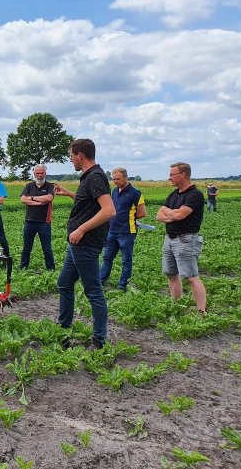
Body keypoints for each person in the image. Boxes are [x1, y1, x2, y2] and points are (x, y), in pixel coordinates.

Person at [53, 139, 115, 349]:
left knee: (93, 290)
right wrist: (71, 194)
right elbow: (89, 205)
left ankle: (99, 340)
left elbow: (109, 210)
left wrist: (81, 229)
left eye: (71, 155)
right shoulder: (89, 178)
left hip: (85, 242)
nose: (70, 159)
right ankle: (63, 329)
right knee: (64, 283)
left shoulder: (96, 177)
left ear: (80, 155)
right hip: (77, 244)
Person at [156, 162, 207, 313]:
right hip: (170, 239)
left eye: (172, 175)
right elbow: (159, 215)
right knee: (171, 274)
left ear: (183, 175)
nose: (169, 177)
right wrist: (172, 215)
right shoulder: (173, 195)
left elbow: (180, 214)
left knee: (191, 277)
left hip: (186, 240)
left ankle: (201, 312)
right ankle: (176, 305)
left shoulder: (194, 195)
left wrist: (170, 212)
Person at [98, 167, 146, 291]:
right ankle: (101, 280)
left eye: (118, 179)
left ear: (125, 177)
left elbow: (142, 212)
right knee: (107, 257)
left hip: (127, 232)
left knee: (126, 260)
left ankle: (122, 285)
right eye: (114, 179)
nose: (115, 181)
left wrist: (128, 217)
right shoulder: (114, 191)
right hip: (112, 231)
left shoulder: (135, 193)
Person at [19, 164, 55, 271]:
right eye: (37, 173)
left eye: (42, 173)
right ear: (34, 174)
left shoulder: (50, 186)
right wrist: (39, 203)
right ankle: (23, 267)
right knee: (26, 248)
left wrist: (32, 198)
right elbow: (23, 200)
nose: (39, 176)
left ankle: (51, 269)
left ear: (45, 173)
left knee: (47, 248)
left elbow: (49, 198)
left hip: (44, 222)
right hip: (29, 222)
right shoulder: (29, 186)